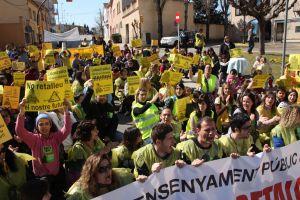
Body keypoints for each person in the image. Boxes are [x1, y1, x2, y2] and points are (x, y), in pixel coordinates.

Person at [15, 98, 71, 200]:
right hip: (42, 180)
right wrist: (22, 111)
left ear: (50, 125)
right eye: (41, 124)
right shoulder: (34, 139)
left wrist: (66, 110)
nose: (44, 126)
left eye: (46, 123)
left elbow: (66, 130)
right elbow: (19, 131)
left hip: (56, 177)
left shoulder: (55, 137)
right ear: (37, 127)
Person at [66, 153, 134, 200]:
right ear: (92, 173)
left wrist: (140, 181)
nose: (108, 171)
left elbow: (137, 188)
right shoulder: (79, 192)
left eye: (109, 166)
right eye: (102, 169)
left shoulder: (120, 176)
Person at [67, 120, 106, 187]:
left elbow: (105, 152)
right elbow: (81, 172)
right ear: (87, 132)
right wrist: (99, 155)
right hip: (85, 180)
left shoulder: (96, 140)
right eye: (94, 130)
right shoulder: (78, 149)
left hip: (100, 173)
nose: (97, 131)